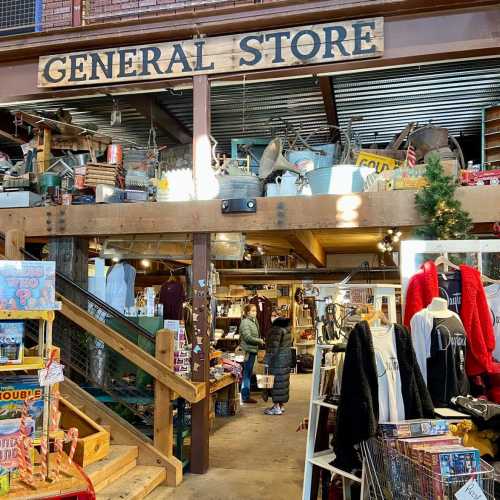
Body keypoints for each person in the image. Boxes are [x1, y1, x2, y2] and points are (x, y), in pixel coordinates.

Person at [264, 316, 292, 415]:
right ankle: (281, 405)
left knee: (276, 384)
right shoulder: (287, 329)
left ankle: (276, 407)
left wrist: (266, 360)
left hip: (276, 361)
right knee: (283, 383)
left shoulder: (276, 330)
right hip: (285, 360)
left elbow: (273, 349)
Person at [239, 304, 265, 403]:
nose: (255, 312)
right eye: (253, 311)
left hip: (252, 350)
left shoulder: (253, 321)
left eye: (255, 310)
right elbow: (247, 337)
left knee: (248, 373)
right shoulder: (246, 323)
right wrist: (259, 341)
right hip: (248, 351)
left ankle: (246, 395)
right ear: (248, 312)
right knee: (246, 374)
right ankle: (245, 396)